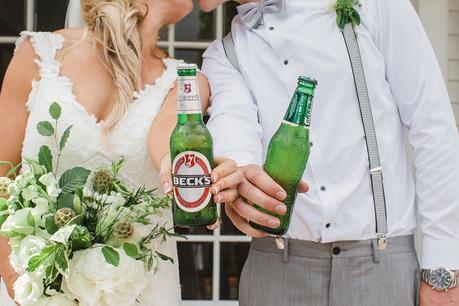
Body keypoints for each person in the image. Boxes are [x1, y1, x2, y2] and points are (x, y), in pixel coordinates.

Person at [197, 0, 459, 305]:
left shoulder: (376, 4)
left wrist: (442, 271)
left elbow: (433, 128)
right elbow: (233, 128)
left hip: (382, 269)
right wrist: (241, 180)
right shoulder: (223, 56)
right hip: (275, 274)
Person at [0, 0, 242, 305]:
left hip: (142, 292)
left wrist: (184, 169)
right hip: (35, 290)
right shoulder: (38, 55)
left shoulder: (186, 83)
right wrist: (20, 284)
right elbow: (1, 179)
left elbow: (170, 140)